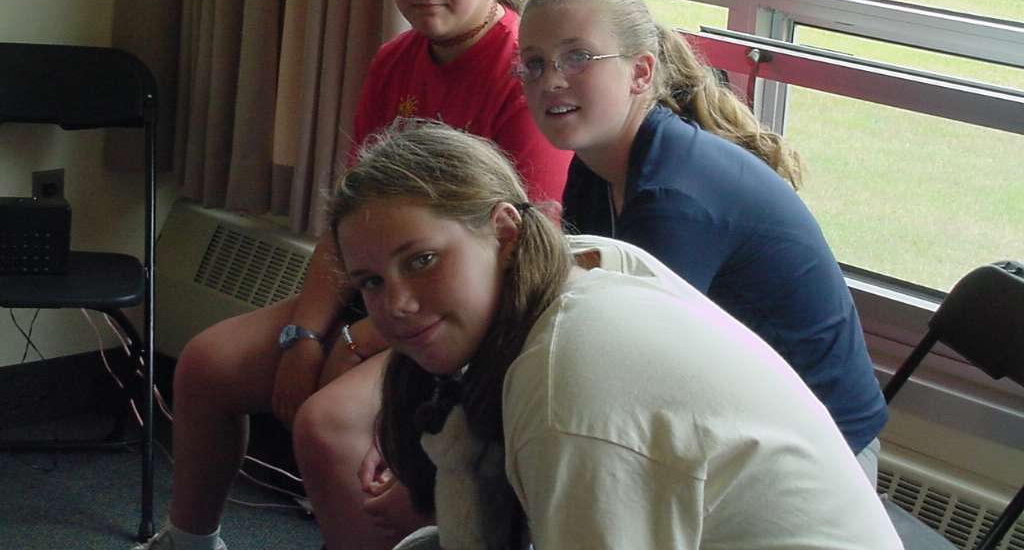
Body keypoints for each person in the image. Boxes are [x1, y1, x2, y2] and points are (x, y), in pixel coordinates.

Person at [135, 0, 570, 550]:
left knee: (326, 426)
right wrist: (304, 336)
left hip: (475, 318)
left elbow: (518, 263)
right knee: (205, 365)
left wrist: (359, 341)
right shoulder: (395, 61)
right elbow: (350, 228)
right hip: (381, 293)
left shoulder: (521, 72)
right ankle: (188, 539)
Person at [327, 120, 903, 550]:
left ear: (504, 232)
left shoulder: (567, 381)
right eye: (371, 282)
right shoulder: (580, 264)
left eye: (423, 260)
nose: (396, 304)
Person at [515, 0, 888, 483]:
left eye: (577, 57)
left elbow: (626, 368)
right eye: (533, 63)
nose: (551, 80)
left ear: (640, 72)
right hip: (744, 426)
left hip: (822, 460)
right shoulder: (595, 166)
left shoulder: (672, 197)